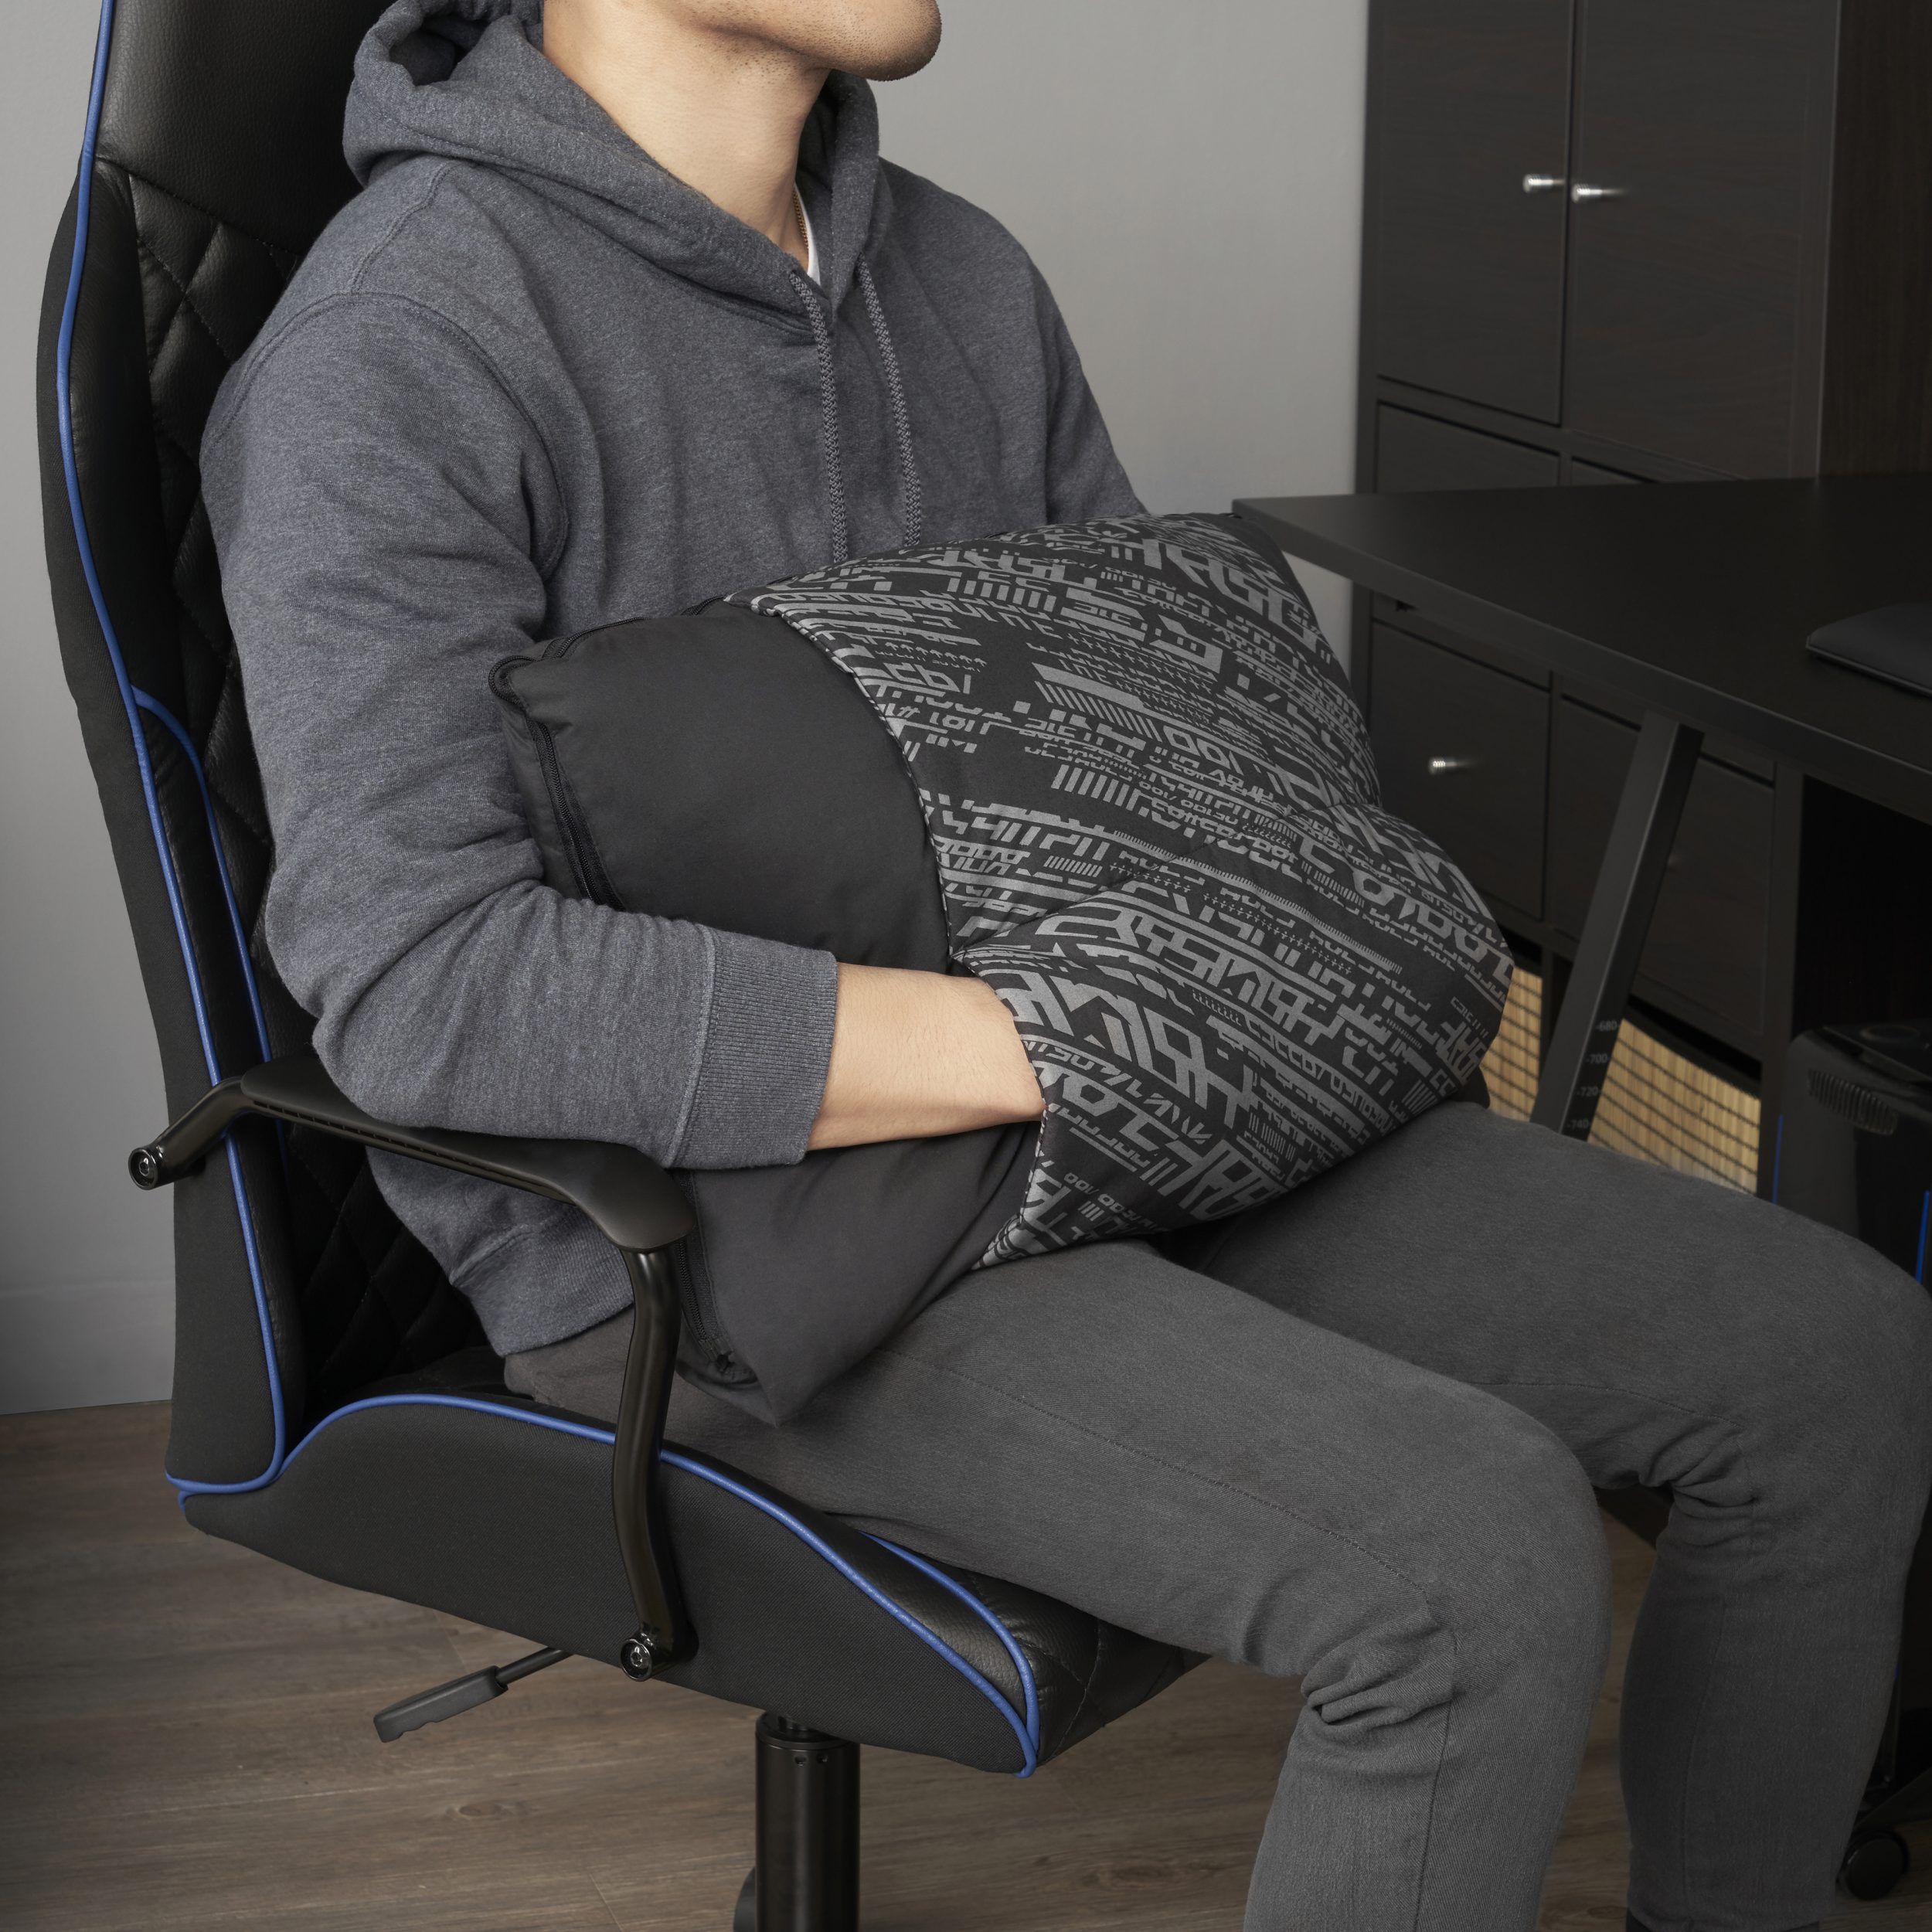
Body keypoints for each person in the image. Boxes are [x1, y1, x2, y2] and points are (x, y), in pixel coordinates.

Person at [202, 2, 1932, 1927]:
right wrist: (1057, 1039)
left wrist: (1210, 999)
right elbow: (425, 977)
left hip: (1110, 1121)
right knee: (1471, 1559)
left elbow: (1147, 758)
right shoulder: (400, 345)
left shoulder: (959, 278)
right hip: (721, 1239)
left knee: (1834, 1355)